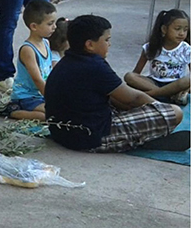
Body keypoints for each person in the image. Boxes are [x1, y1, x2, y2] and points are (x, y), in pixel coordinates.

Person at [45, 15, 187, 153]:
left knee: (121, 101)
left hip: (60, 134)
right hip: (90, 138)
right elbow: (133, 98)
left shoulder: (66, 61)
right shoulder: (94, 65)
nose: (109, 44)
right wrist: (160, 108)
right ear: (90, 45)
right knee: (175, 112)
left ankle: (144, 136)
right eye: (107, 40)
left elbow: (117, 96)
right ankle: (144, 139)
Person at [0, 0, 58, 121]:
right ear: (34, 26)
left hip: (41, 94)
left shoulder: (46, 43)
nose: (54, 27)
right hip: (26, 96)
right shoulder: (28, 50)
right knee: (49, 116)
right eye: (50, 24)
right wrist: (53, 99)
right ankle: (13, 111)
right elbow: (37, 79)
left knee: (63, 111)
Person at [123, 9, 190, 106]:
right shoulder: (150, 47)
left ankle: (148, 95)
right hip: (153, 83)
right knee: (129, 76)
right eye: (177, 29)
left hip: (175, 85)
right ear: (164, 29)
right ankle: (167, 95)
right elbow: (136, 72)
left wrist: (187, 89)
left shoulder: (187, 49)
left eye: (185, 30)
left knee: (187, 80)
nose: (182, 33)